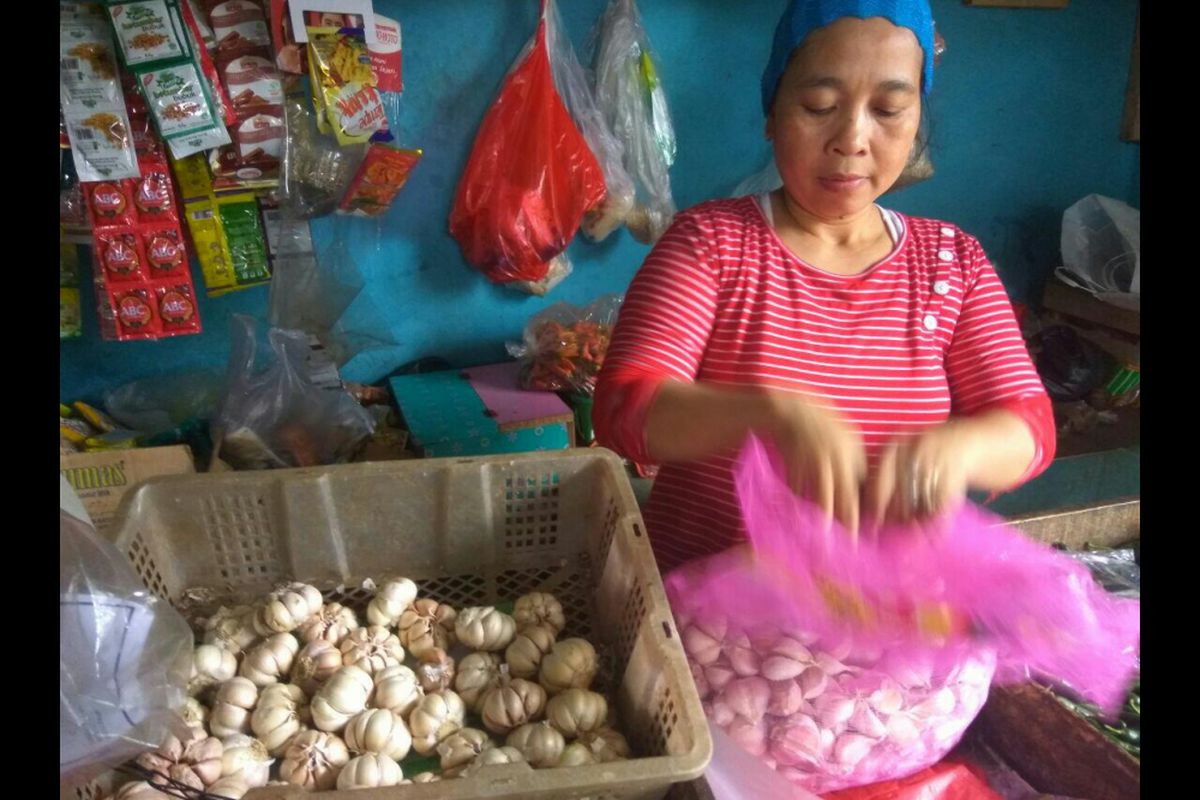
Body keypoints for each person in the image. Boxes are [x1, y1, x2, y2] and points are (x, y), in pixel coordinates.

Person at [593, 0, 1055, 572]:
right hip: (708, 622)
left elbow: (1030, 427)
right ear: (773, 112)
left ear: (916, 122)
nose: (852, 139)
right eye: (820, 105)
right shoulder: (711, 245)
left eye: (888, 109)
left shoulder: (953, 264)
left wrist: (959, 451)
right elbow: (622, 410)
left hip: (885, 617)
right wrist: (768, 417)